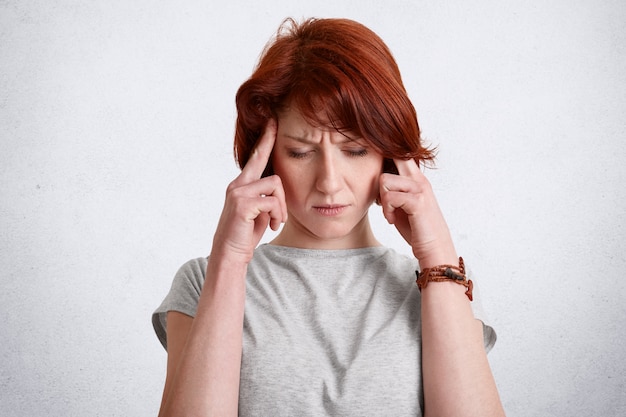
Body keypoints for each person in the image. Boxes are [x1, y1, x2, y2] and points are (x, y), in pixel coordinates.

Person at [152, 17, 505, 417]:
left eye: (354, 150)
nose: (329, 183)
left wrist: (436, 251)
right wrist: (229, 259)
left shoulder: (442, 283)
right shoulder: (203, 281)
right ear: (266, 159)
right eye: (301, 151)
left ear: (388, 153)